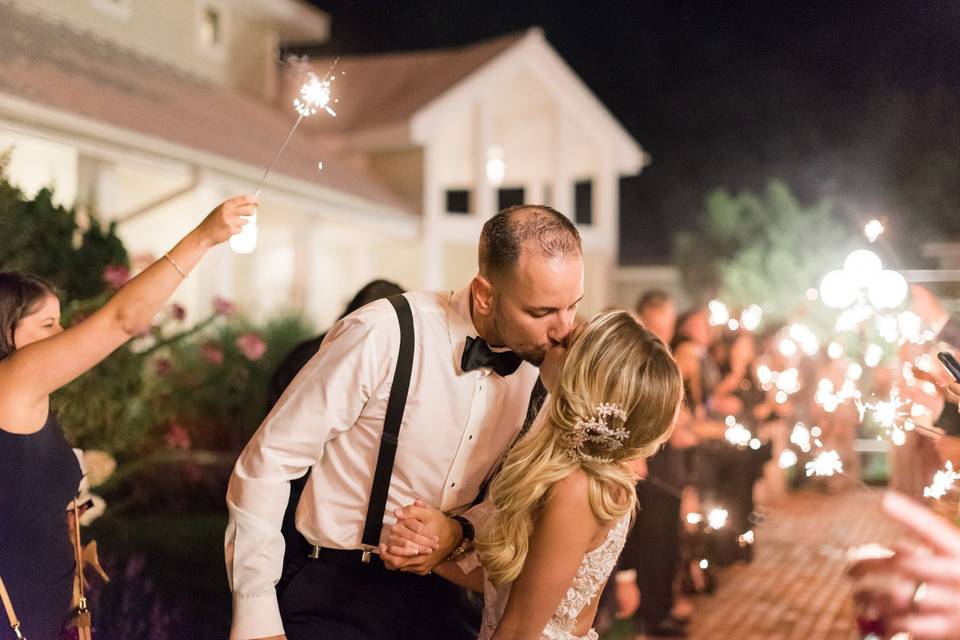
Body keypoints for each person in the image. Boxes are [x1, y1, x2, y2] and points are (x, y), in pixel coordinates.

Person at [224, 205, 583, 640]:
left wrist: (458, 532)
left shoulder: (542, 365)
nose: (564, 329)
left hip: (447, 602)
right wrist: (256, 615)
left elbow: (515, 494)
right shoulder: (382, 334)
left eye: (572, 306)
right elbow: (269, 460)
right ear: (486, 295)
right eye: (542, 311)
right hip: (335, 597)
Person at [0, 196, 256, 640]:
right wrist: (204, 237)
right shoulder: (11, 381)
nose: (63, 338)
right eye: (47, 327)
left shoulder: (33, 400)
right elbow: (122, 320)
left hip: (45, 619)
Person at [385, 310, 683, 640]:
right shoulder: (576, 474)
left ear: (587, 378)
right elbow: (517, 585)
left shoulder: (577, 490)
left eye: (571, 341)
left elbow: (518, 632)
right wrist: (435, 554)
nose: (560, 332)